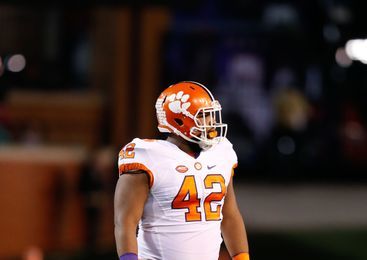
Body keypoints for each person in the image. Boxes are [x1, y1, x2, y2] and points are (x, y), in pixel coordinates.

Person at [114, 81, 250, 260]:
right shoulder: (148, 156)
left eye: (211, 115)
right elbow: (125, 222)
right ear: (179, 119)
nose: (210, 123)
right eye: (203, 116)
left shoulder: (220, 153)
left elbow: (230, 215)